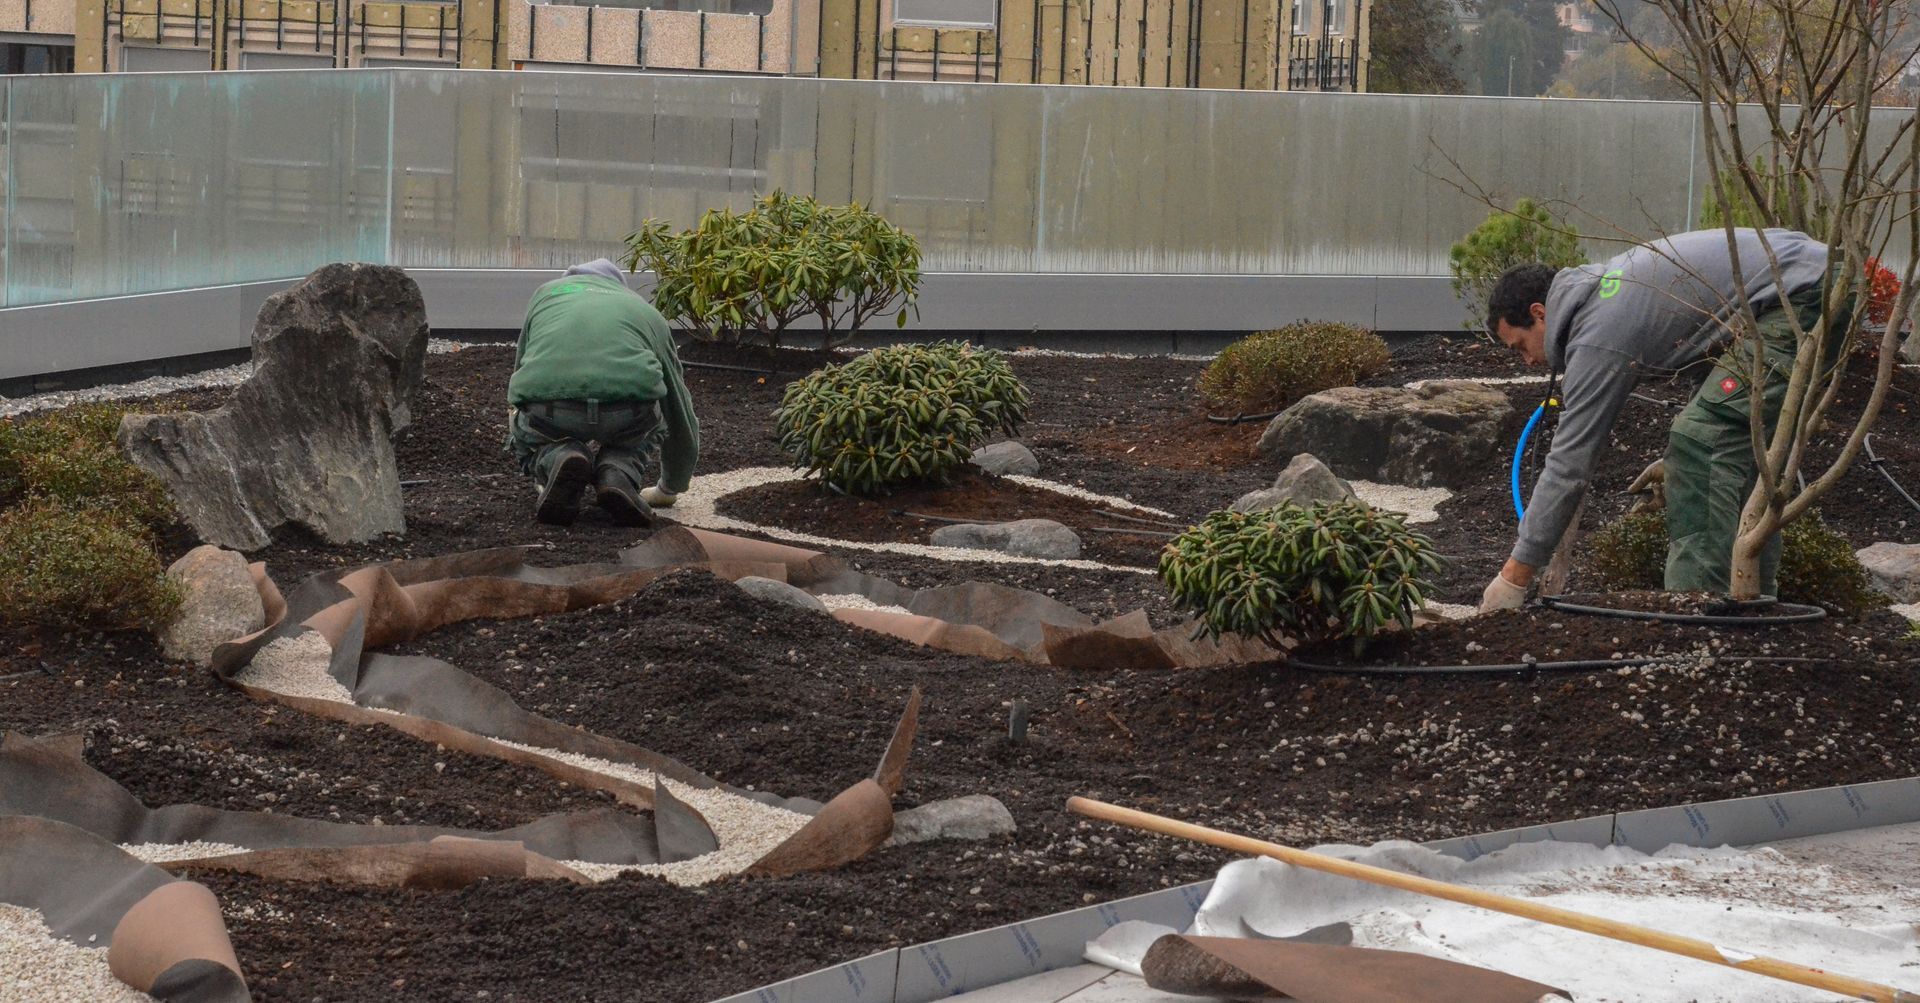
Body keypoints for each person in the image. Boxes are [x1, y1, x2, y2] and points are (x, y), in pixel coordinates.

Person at [1478, 228, 1849, 612]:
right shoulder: (1606, 296)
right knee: (1728, 446)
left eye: (1520, 346)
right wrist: (1677, 462)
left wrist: (1515, 575)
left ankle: (1696, 616)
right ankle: (1754, 606)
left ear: (1539, 314)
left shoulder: (1597, 335)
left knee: (1700, 446)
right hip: (1812, 277)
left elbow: (1570, 465)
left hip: (1802, 294)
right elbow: (1711, 358)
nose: (1527, 361)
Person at [507, 259, 698, 527]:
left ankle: (557, 457)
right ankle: (618, 471)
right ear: (617, 286)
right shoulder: (643, 310)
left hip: (552, 411)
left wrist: (520, 421)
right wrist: (670, 487)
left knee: (530, 425)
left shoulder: (547, 294)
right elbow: (677, 404)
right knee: (651, 421)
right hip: (627, 412)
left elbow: (521, 372)